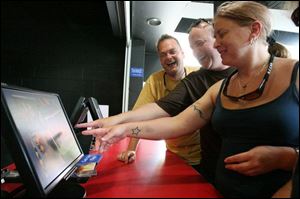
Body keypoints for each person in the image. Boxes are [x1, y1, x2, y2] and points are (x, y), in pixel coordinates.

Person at [77, 1, 299, 197]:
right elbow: (177, 123)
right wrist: (122, 127)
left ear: (254, 30)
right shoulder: (220, 88)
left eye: (221, 34)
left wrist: (287, 158)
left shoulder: (296, 75)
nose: (216, 43)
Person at [118, 34, 200, 169]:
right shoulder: (154, 81)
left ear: (183, 54)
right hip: (175, 154)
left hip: (204, 153)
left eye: (173, 51)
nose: (168, 57)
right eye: (163, 54)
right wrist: (131, 149)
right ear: (160, 61)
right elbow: (139, 118)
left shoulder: (197, 75)